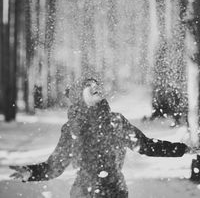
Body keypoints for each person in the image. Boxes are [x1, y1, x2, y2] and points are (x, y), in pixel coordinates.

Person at [10, 76, 193, 198]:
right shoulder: (71, 129)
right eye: (88, 86)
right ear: (79, 96)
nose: (95, 87)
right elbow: (55, 167)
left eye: (96, 84)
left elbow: (145, 146)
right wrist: (31, 172)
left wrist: (182, 149)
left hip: (116, 192)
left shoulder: (116, 122)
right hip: (83, 193)